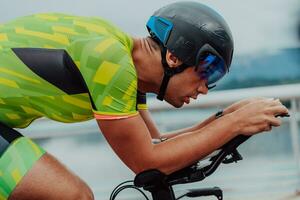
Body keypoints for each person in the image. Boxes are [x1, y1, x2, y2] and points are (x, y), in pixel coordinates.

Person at [0, 1, 288, 200]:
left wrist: (224, 120)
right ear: (174, 56)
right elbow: (146, 162)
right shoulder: (110, 60)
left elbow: (157, 146)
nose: (205, 88)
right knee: (72, 195)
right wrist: (234, 123)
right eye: (206, 70)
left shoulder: (126, 68)